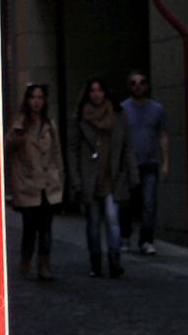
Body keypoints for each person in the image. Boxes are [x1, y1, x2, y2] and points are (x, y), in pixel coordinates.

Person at [67, 77, 137, 278]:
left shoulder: (117, 115)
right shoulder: (80, 117)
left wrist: (133, 175)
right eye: (92, 91)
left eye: (99, 90)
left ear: (105, 92)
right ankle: (95, 261)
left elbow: (127, 146)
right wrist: (76, 179)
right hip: (90, 177)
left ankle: (115, 260)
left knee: (112, 219)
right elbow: (72, 149)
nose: (96, 94)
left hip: (112, 176)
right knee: (93, 222)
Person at [5, 83, 63, 281]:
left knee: (46, 227)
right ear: (27, 100)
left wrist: (60, 178)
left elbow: (57, 154)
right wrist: (18, 136)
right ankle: (26, 260)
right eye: (33, 97)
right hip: (28, 185)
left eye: (40, 97)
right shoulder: (20, 123)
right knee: (30, 226)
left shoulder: (50, 124)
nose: (36, 102)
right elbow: (8, 147)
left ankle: (44, 264)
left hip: (48, 184)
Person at [120, 71, 169, 255]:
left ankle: (146, 240)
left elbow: (163, 135)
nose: (137, 86)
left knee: (149, 203)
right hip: (128, 165)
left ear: (147, 85)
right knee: (126, 203)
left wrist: (165, 163)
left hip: (150, 163)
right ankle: (125, 236)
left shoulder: (157, 109)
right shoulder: (123, 109)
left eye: (141, 82)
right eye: (133, 83)